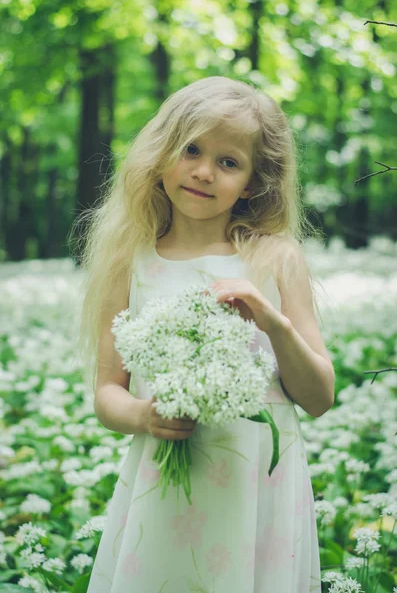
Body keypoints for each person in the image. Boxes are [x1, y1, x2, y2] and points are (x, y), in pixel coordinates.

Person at [74, 76, 335, 592]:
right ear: (161, 151)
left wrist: (272, 320)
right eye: (191, 149)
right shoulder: (132, 259)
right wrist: (146, 415)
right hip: (167, 487)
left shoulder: (276, 258)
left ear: (254, 181)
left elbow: (320, 397)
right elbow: (108, 394)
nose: (202, 172)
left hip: (259, 485)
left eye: (229, 162)